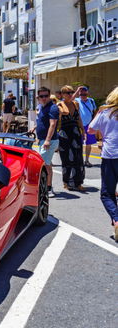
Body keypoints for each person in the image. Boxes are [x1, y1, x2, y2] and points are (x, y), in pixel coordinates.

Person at [88, 87, 118, 241]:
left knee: (107, 193)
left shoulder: (105, 113)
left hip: (111, 155)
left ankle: (116, 219)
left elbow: (91, 129)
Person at [31, 87, 59, 197]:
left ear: (49, 95)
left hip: (50, 141)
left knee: (44, 164)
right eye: (41, 96)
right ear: (38, 97)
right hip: (43, 140)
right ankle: (46, 186)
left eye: (46, 96)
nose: (44, 98)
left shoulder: (52, 108)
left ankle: (49, 188)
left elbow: (52, 124)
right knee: (46, 163)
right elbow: (43, 121)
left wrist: (47, 140)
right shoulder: (42, 107)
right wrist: (35, 127)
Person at [58, 85, 85, 191]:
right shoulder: (60, 105)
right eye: (67, 93)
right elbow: (65, 112)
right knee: (66, 159)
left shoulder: (76, 104)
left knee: (78, 158)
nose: (70, 94)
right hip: (64, 134)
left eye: (71, 92)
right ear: (63, 94)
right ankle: (67, 182)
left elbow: (78, 118)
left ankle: (78, 182)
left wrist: (83, 131)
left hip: (75, 133)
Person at [73, 85, 97, 167]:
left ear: (87, 93)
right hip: (79, 126)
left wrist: (93, 122)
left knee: (89, 144)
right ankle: (79, 160)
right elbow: (69, 100)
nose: (83, 96)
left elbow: (94, 112)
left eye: (85, 94)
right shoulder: (76, 100)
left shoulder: (91, 101)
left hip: (89, 125)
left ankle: (86, 160)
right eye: (81, 94)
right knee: (79, 143)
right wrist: (76, 91)